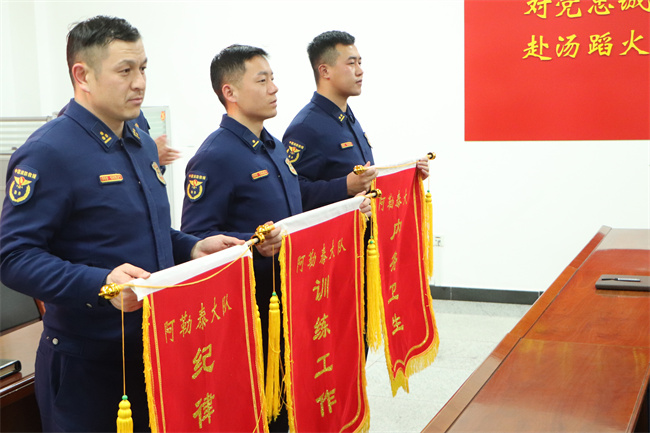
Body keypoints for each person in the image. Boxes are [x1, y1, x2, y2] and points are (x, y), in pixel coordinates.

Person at [0, 16, 242, 432]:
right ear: (83, 76)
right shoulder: (49, 151)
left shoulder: (140, 142)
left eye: (143, 68)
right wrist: (102, 285)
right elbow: (14, 257)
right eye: (125, 70)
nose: (140, 83)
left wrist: (191, 247)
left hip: (152, 348)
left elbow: (145, 230)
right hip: (87, 364)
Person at [180, 44, 301, 432]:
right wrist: (253, 242)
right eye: (262, 80)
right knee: (262, 412)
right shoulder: (215, 156)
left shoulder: (274, 147)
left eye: (273, 79)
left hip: (288, 300)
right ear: (229, 91)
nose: (274, 88)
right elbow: (195, 238)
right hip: (251, 311)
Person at [282, 30, 429, 212]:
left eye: (360, 62)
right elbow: (291, 193)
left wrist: (410, 175)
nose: (360, 71)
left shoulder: (347, 118)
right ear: (325, 71)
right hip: (337, 230)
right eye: (351, 63)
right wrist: (344, 186)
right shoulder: (305, 127)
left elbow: (366, 183)